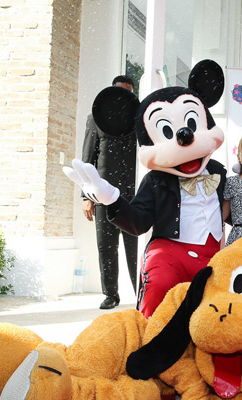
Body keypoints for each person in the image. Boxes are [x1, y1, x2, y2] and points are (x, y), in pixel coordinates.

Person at [82, 75, 138, 310]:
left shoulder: (140, 119)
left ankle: (141, 293)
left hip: (134, 195)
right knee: (106, 246)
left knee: (135, 247)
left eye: (127, 94)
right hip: (103, 193)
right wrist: (86, 196)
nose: (121, 99)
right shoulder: (96, 119)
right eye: (118, 93)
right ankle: (110, 295)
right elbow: (88, 159)